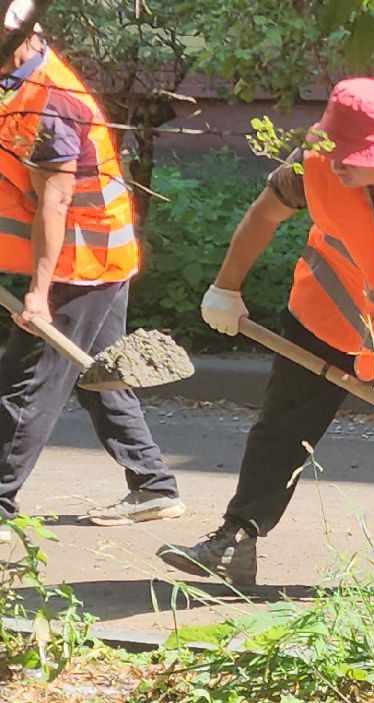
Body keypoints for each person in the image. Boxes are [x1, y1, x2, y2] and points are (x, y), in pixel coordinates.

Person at [157, 77, 374, 588]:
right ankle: (236, 541)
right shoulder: (315, 162)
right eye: (332, 148)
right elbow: (264, 215)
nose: (335, 161)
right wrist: (225, 288)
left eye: (349, 154)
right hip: (330, 311)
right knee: (284, 425)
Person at [0, 0, 181, 525]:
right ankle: (153, 484)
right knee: (95, 373)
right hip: (92, 253)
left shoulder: (50, 101)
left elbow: (55, 202)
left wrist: (39, 294)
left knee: (25, 386)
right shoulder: (16, 82)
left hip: (81, 259)